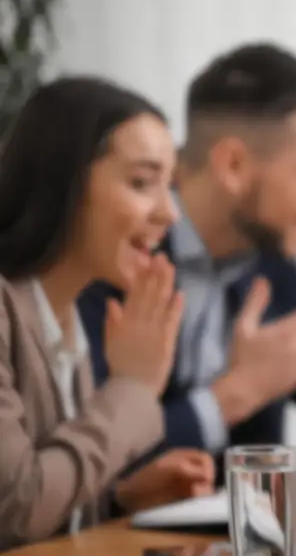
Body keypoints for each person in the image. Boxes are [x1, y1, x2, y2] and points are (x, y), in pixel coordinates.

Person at [79, 43, 296, 478]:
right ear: (233, 165)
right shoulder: (113, 256)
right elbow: (88, 458)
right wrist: (238, 393)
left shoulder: (268, 264)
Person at [0, 77, 215, 549]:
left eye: (168, 186)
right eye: (142, 183)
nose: (170, 214)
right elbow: (16, 509)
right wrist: (132, 389)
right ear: (62, 183)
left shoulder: (65, 316)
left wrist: (119, 498)